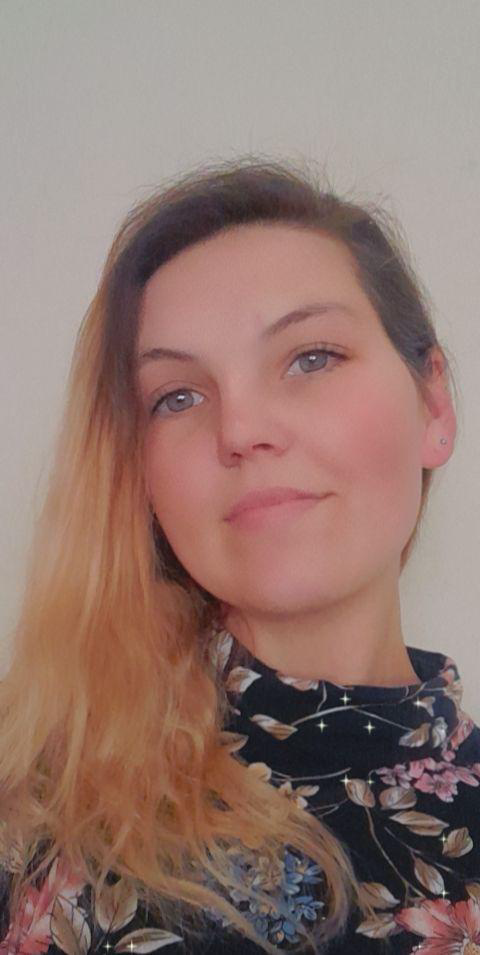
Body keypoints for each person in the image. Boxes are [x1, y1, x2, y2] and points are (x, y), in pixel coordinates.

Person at [0, 156, 478, 955]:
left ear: (433, 403)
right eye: (177, 396)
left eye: (311, 357)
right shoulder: (34, 798)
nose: (241, 428)